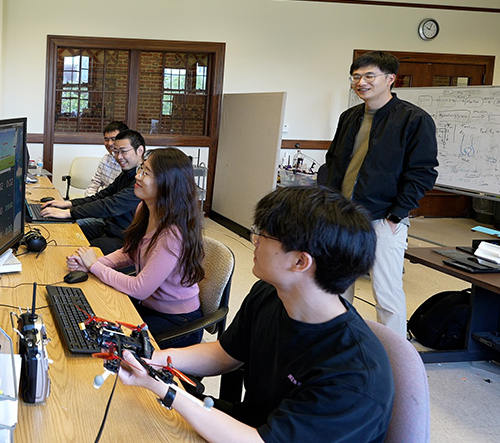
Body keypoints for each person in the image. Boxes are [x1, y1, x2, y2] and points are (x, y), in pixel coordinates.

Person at [116, 186, 394, 443]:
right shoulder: (270, 294)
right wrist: (152, 359)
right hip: (248, 425)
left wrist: (168, 392)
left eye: (264, 234)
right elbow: (225, 354)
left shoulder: (355, 377)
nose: (254, 239)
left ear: (300, 261)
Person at [323, 51, 438, 338]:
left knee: (386, 294)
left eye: (369, 76)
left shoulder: (414, 119)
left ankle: (395, 356)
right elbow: (334, 162)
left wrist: (397, 214)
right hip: (343, 216)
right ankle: (339, 342)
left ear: (390, 79)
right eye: (356, 77)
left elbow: (422, 172)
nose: (361, 82)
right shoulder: (349, 117)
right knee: (338, 286)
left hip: (384, 218)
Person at [65, 147, 205, 348]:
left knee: (105, 343)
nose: (137, 176)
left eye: (146, 173)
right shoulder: (146, 208)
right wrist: (90, 264)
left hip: (177, 323)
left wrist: (94, 266)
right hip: (149, 306)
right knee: (91, 318)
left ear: (167, 183)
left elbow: (139, 288)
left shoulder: (172, 234)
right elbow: (130, 251)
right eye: (141, 169)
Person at [41, 129, 145, 254]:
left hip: (124, 238)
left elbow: (109, 204)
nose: (119, 157)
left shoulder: (142, 182)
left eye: (123, 152)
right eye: (116, 152)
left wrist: (70, 213)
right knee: (62, 232)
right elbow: (102, 196)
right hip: (108, 228)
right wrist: (70, 204)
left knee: (76, 254)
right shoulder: (127, 174)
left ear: (140, 150)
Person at [85, 121, 128, 196]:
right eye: (106, 140)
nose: (110, 143)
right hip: (101, 202)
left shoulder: (130, 164)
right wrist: (89, 201)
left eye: (113, 139)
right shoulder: (105, 159)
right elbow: (94, 184)